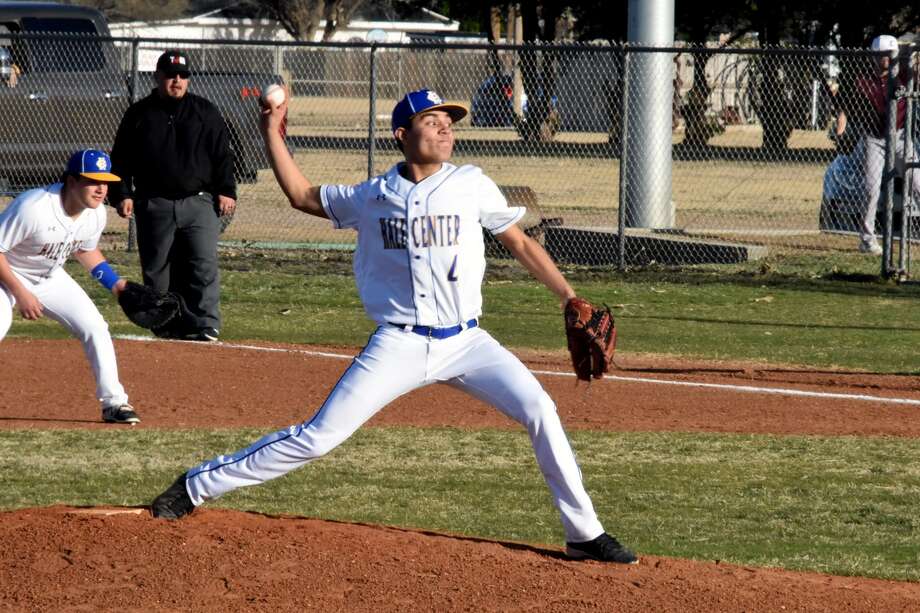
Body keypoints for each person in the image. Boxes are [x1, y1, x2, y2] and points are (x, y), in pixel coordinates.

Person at [151, 88, 638, 564]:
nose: (444, 129)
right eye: (432, 121)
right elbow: (301, 195)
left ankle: (584, 534)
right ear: (403, 134)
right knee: (319, 436)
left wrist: (569, 296)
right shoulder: (374, 195)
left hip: (467, 341)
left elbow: (521, 243)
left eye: (448, 122)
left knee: (540, 410)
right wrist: (270, 132)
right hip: (399, 343)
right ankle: (195, 485)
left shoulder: (471, 183)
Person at [0, 150, 141, 424]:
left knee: (95, 327)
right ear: (72, 180)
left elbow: (85, 250)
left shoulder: (95, 214)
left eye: (105, 182)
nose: (101, 189)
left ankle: (115, 404)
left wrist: (116, 285)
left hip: (50, 277)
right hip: (7, 276)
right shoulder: (33, 207)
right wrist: (20, 292)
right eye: (93, 181)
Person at [109, 49, 236, 342]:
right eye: (170, 75)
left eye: (182, 76)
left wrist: (226, 190)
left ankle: (205, 324)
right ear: (158, 77)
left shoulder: (205, 111)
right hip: (154, 202)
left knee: (202, 265)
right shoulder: (139, 114)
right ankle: (165, 324)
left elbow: (223, 155)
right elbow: (121, 159)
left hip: (199, 201)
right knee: (157, 271)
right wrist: (122, 194)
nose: (177, 80)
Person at [835, 34, 920, 255]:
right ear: (873, 56)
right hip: (873, 138)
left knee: (917, 182)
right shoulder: (862, 79)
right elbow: (845, 106)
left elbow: (916, 76)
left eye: (890, 55)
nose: (886, 59)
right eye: (882, 55)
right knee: (871, 189)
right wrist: (840, 129)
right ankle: (867, 240)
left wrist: (913, 55)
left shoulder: (903, 74)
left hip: (900, 137)